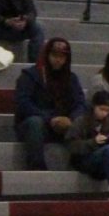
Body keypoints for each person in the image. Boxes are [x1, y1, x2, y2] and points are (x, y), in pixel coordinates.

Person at [14, 37, 86, 170]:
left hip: (64, 124)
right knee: (35, 123)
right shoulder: (30, 75)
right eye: (54, 55)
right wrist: (49, 119)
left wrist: (71, 119)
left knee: (82, 120)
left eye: (62, 57)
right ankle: (36, 167)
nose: (58, 60)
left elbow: (80, 103)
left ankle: (82, 164)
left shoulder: (71, 78)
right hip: (36, 124)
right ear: (47, 55)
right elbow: (23, 103)